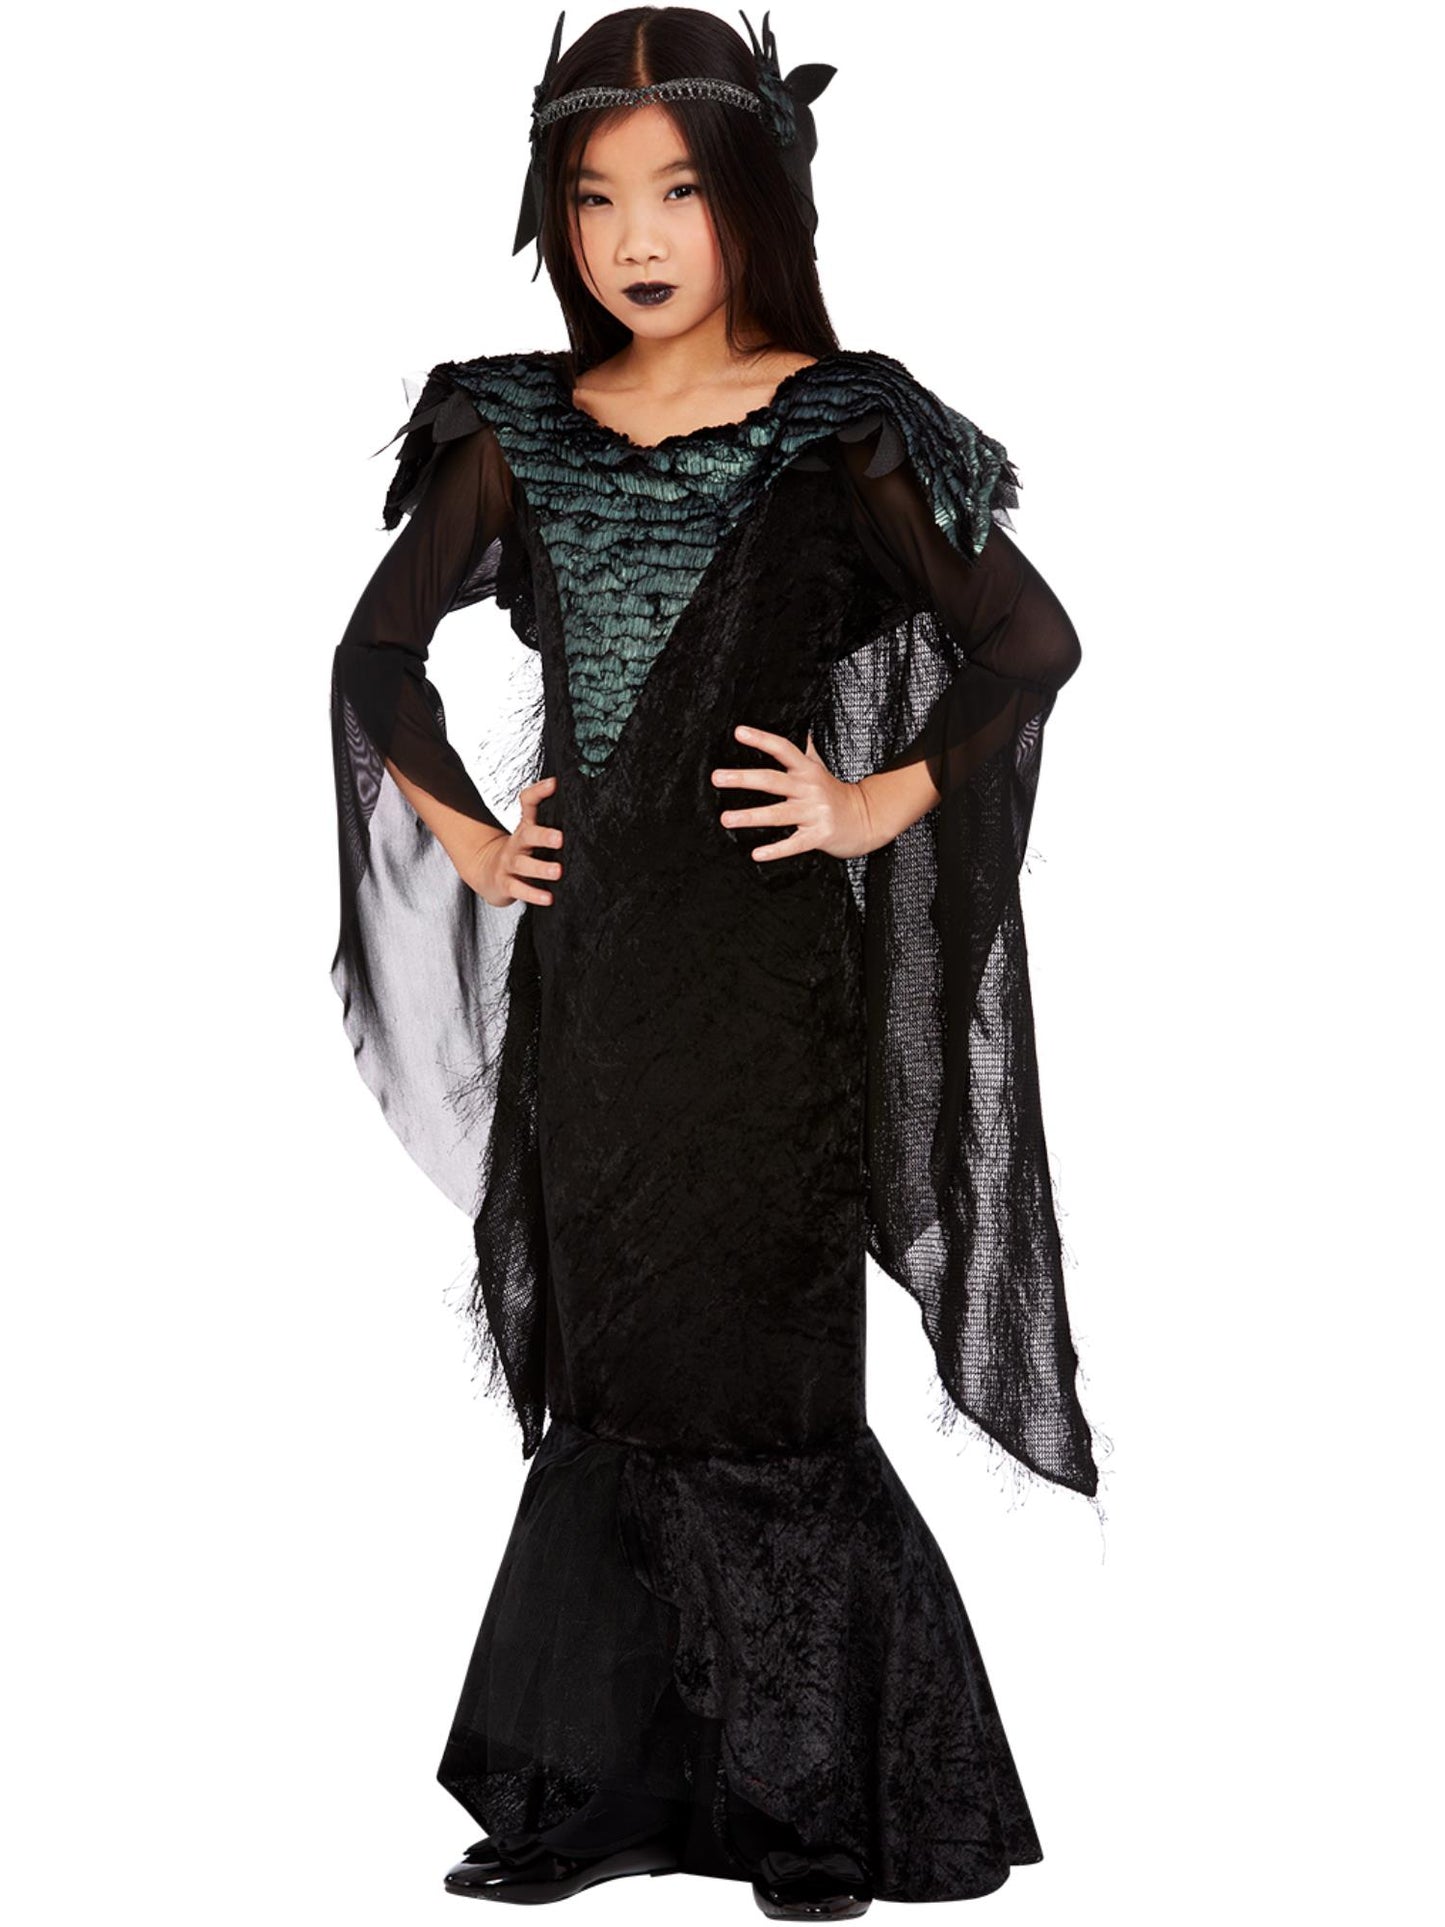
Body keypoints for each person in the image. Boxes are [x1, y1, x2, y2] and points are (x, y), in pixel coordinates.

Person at [328, 7, 1102, 1916]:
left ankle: (807, 1808)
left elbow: (1030, 641)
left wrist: (876, 798)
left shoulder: (848, 429)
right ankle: (587, 1796)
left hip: (766, 1003)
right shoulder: (510, 428)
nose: (636, 238)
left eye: (677, 191)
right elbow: (374, 653)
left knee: (761, 1383)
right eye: (595, 200)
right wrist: (467, 832)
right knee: (614, 1384)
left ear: (758, 193)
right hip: (595, 995)